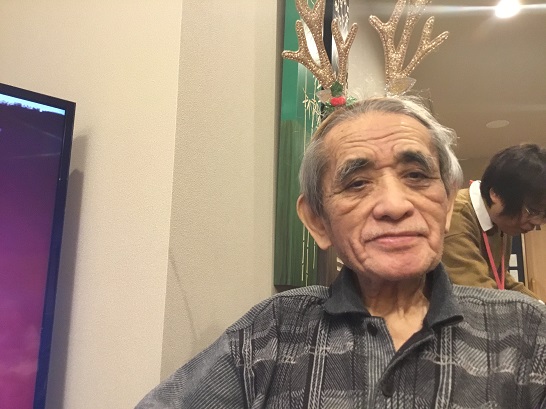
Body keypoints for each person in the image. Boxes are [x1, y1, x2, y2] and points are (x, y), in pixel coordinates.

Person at [135, 97, 546, 408]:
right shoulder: (272, 331)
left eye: (416, 175)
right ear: (318, 221)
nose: (394, 205)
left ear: (447, 203)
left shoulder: (526, 331)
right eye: (357, 183)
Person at [442, 144, 546, 299]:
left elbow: (501, 277)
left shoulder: (501, 221)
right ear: (496, 194)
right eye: (532, 211)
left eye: (542, 215)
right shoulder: (457, 217)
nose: (536, 223)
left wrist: (539, 306)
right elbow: (481, 296)